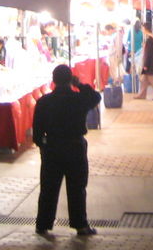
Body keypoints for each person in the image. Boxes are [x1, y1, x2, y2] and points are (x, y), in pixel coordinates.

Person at [32, 64, 101, 237]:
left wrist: (43, 147)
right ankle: (80, 225)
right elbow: (95, 97)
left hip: (52, 148)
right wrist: (79, 84)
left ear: (53, 80)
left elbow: (37, 132)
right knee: (77, 188)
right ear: (70, 79)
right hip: (75, 146)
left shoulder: (44, 102)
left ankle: (43, 224)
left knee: (48, 188)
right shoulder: (78, 99)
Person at [135, 28, 153, 101]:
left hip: (150, 65)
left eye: (143, 29)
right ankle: (142, 95)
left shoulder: (149, 40)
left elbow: (147, 54)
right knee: (144, 80)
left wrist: (145, 65)